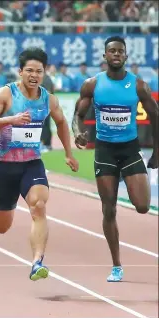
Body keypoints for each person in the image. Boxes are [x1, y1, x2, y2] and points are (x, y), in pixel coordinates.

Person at [0, 48, 79, 281]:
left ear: (45, 72)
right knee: (2, 226)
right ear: (20, 71)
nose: (34, 75)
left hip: (32, 164)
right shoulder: (5, 94)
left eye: (39, 71)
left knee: (39, 206)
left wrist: (68, 153)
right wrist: (11, 119)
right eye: (30, 71)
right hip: (4, 167)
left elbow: (62, 122)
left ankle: (37, 263)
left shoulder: (48, 98)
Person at [72, 36, 158, 282]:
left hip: (130, 149)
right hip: (105, 151)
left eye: (121, 51)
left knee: (142, 206)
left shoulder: (138, 86)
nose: (117, 54)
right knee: (109, 209)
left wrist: (157, 153)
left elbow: (155, 115)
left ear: (126, 56)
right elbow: (78, 114)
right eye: (112, 51)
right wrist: (79, 133)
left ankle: (128, 179)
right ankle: (117, 266)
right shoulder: (92, 84)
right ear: (105, 56)